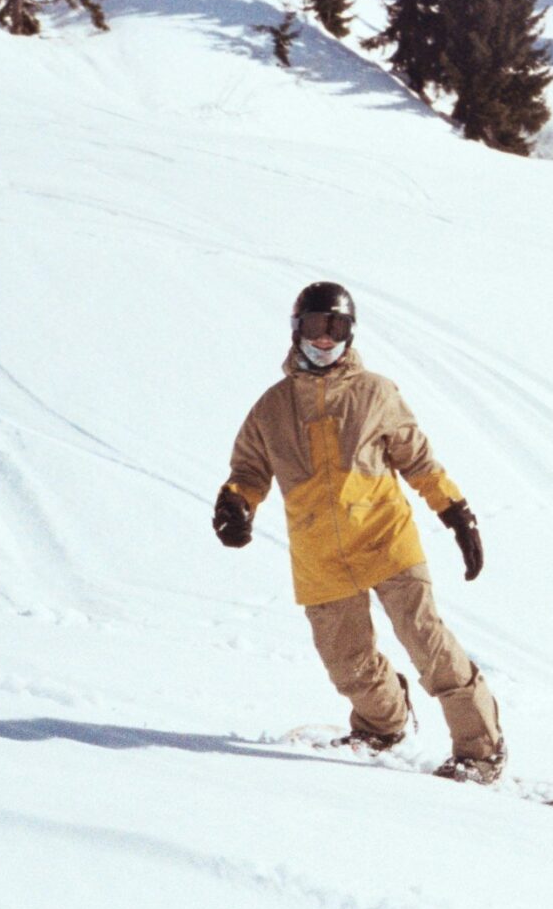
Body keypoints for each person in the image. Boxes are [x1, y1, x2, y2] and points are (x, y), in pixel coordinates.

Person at [211, 281, 506, 783]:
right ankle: (381, 724)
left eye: (336, 328)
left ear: (350, 333)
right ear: (296, 331)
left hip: (385, 539)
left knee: (426, 642)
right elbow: (249, 469)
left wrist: (456, 513)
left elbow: (420, 463)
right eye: (314, 327)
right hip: (319, 552)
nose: (324, 340)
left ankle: (480, 751)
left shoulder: (376, 393)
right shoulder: (272, 407)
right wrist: (236, 502)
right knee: (345, 662)